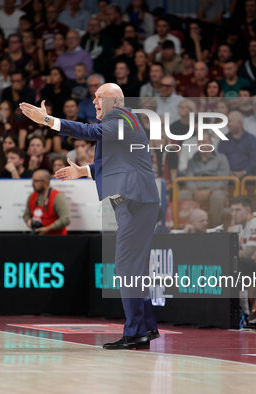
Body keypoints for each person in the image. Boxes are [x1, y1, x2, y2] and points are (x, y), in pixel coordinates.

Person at [20, 82, 160, 350]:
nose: (94, 102)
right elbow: (116, 164)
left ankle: (134, 332)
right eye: (94, 97)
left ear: (115, 102)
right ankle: (144, 328)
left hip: (136, 202)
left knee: (127, 267)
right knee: (134, 269)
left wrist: (48, 120)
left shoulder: (119, 118)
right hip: (137, 202)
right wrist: (82, 171)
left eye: (99, 98)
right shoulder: (125, 121)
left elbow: (89, 131)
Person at [23, 169, 71, 235]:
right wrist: (28, 221)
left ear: (45, 183)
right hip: (37, 236)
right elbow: (26, 215)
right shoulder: (32, 196)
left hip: (56, 238)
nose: (32, 183)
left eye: (35, 181)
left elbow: (66, 219)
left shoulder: (57, 196)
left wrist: (48, 229)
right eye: (32, 180)